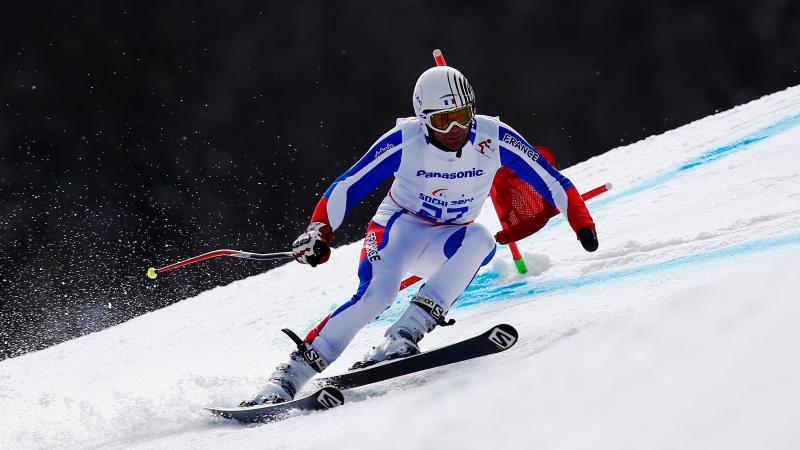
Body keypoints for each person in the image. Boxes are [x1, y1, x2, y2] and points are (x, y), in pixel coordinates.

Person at [243, 64, 598, 405]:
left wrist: (583, 225)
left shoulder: (494, 137)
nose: (456, 127)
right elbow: (348, 185)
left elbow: (552, 181)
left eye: (462, 114)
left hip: (448, 240)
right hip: (398, 229)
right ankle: (289, 376)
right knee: (379, 293)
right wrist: (319, 231)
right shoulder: (405, 139)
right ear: (424, 118)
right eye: (443, 120)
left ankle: (404, 335)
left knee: (481, 239)